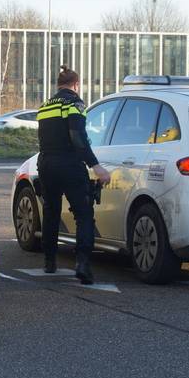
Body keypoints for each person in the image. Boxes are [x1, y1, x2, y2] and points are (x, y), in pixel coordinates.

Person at [36, 65, 112, 284]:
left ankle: (49, 262)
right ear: (76, 84)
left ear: (58, 85)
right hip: (69, 164)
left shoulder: (45, 106)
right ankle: (82, 265)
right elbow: (77, 137)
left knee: (51, 212)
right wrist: (95, 166)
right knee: (83, 213)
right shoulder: (75, 104)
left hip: (46, 163)